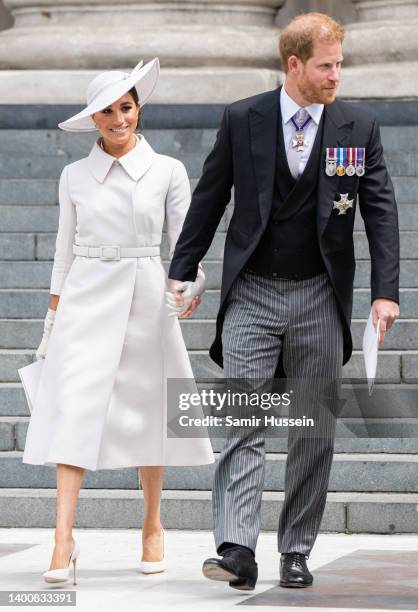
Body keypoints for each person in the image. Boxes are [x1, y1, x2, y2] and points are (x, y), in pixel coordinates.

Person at [166, 12, 400, 590]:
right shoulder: (242, 118)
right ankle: (237, 548)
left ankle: (295, 550)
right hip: (252, 292)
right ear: (294, 65)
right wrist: (182, 267)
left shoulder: (357, 126)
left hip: (321, 294)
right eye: (326, 65)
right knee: (244, 421)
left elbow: (381, 210)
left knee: (312, 430)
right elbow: (211, 195)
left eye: (340, 64)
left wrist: (385, 292)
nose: (336, 75)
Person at [22, 57, 214, 585]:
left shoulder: (168, 170)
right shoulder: (73, 175)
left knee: (149, 410)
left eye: (125, 107)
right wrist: (50, 322)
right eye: (107, 111)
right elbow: (62, 253)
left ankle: (152, 524)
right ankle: (63, 539)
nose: (118, 118)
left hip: (146, 295)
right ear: (93, 119)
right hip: (85, 293)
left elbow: (186, 245)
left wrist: (191, 285)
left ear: (138, 109)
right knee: (73, 411)